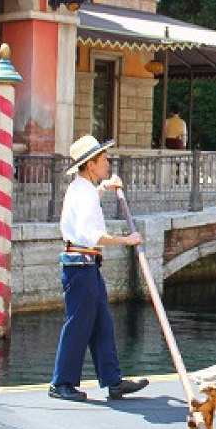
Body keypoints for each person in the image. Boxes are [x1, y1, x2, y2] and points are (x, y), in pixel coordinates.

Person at [49, 135, 150, 402]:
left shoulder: (82, 189)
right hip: (80, 267)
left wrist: (104, 187)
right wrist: (126, 240)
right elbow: (89, 235)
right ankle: (61, 383)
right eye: (103, 159)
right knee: (78, 324)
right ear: (91, 165)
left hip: (87, 266)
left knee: (102, 322)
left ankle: (113, 381)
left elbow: (89, 203)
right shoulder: (83, 193)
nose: (107, 163)